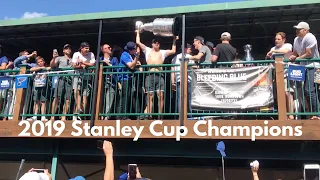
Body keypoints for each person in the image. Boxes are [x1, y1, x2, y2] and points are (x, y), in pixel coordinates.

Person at [136, 30, 177, 119]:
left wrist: (174, 40)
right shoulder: (147, 50)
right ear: (152, 44)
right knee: (150, 95)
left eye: (158, 42)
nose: (156, 44)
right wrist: (138, 32)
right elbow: (138, 42)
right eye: (155, 42)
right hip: (150, 75)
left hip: (160, 75)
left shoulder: (162, 52)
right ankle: (149, 115)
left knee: (161, 95)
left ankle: (160, 115)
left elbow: (173, 51)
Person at [289, 21, 320, 120]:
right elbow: (294, 53)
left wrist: (297, 59)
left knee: (310, 90)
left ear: (305, 30)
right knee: (307, 91)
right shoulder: (296, 39)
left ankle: (316, 114)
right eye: (296, 29)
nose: (297, 31)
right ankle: (314, 113)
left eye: (299, 29)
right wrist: (292, 57)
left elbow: (309, 54)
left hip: (314, 66)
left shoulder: (310, 37)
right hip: (304, 67)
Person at [266, 32, 294, 120]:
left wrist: (273, 51)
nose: (276, 41)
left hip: (287, 73)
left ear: (284, 40)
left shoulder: (287, 45)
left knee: (288, 93)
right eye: (275, 39)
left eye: (278, 39)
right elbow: (270, 61)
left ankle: (291, 115)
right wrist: (267, 56)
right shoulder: (272, 48)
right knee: (280, 95)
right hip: (277, 75)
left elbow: (286, 51)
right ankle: (283, 115)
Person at [117, 41, 140, 120]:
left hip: (129, 78)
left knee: (128, 96)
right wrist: (136, 58)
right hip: (124, 78)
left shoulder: (131, 55)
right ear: (130, 50)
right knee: (125, 96)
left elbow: (135, 64)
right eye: (135, 49)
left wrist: (136, 61)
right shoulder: (125, 55)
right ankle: (122, 116)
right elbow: (131, 66)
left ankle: (124, 115)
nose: (136, 50)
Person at [50, 44, 73, 121]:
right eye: (66, 48)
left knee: (68, 99)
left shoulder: (73, 59)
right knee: (56, 97)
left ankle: (64, 116)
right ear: (63, 50)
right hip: (61, 79)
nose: (68, 49)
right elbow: (52, 65)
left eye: (69, 48)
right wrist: (54, 57)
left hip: (70, 80)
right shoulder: (59, 58)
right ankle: (52, 116)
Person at [171, 43, 193, 118]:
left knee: (179, 98)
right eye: (190, 49)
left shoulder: (174, 58)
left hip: (178, 79)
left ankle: (180, 116)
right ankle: (189, 116)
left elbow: (172, 71)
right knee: (189, 98)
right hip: (188, 80)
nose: (191, 50)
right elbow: (193, 68)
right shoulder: (190, 57)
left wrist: (172, 81)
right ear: (186, 49)